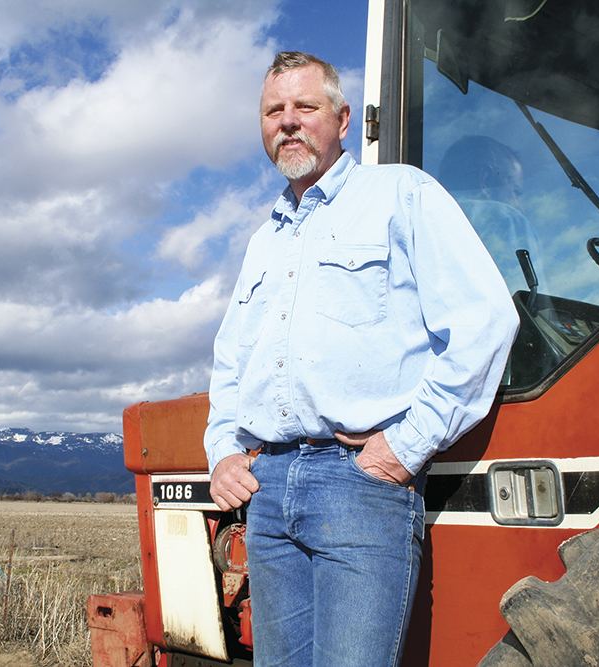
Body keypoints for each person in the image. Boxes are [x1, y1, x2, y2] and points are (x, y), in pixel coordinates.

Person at [204, 52, 519, 667]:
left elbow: (485, 320)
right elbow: (229, 364)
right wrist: (220, 452)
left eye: (305, 107)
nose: (288, 122)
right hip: (267, 491)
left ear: (342, 119)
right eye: (274, 111)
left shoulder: (400, 194)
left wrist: (407, 444)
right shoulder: (263, 241)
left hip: (357, 484)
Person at [438, 135, 547, 295]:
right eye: (515, 192)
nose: (521, 208)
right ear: (486, 180)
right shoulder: (506, 218)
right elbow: (531, 306)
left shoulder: (422, 219)